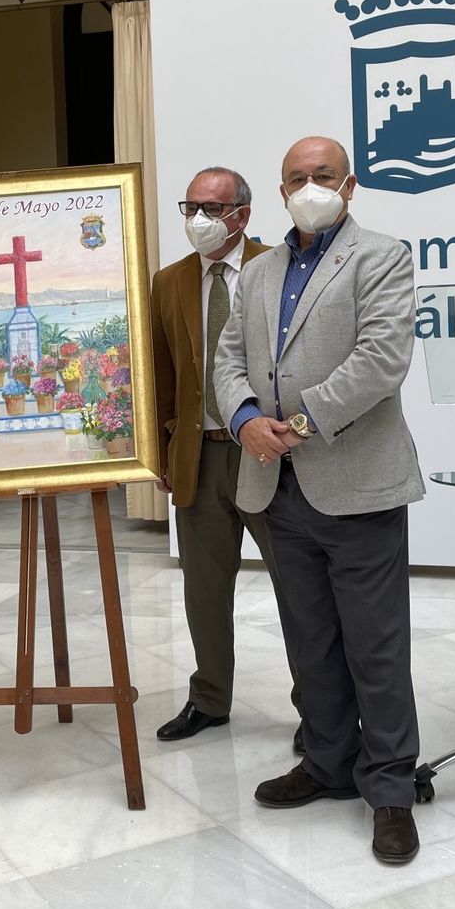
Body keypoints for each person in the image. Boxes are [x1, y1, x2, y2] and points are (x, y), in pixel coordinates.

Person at [213, 136, 426, 865]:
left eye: (324, 175)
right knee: (310, 641)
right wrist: (246, 420)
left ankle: (391, 787)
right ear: (280, 192)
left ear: (350, 185)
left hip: (357, 482)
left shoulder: (381, 257)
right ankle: (330, 762)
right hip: (279, 487)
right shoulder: (258, 271)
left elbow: (381, 360)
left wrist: (297, 425)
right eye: (297, 178)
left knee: (376, 646)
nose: (310, 187)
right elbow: (228, 359)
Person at [150, 168, 302, 749]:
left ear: (242, 213)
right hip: (200, 456)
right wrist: (164, 451)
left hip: (268, 455)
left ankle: (318, 707)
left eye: (212, 209)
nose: (199, 220)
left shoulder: (279, 267)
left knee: (298, 588)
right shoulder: (169, 282)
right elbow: (163, 376)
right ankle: (210, 699)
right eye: (190, 207)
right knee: (204, 590)